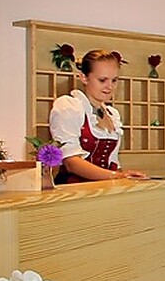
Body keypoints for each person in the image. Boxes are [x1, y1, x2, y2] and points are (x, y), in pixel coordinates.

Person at [48, 49, 147, 183]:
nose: (110, 87)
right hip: (73, 189)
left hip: (103, 188)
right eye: (102, 80)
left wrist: (125, 177)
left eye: (114, 80)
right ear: (84, 78)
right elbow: (71, 162)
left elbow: (113, 163)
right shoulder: (69, 107)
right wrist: (116, 176)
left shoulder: (112, 114)